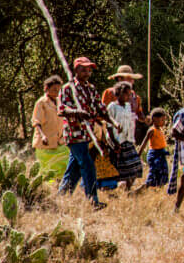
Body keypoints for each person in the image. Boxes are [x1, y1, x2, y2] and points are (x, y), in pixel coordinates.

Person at [57, 58, 109, 209]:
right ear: (76, 70)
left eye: (89, 70)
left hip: (87, 134)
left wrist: (112, 122)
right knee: (87, 164)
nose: (87, 73)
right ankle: (93, 200)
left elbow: (101, 109)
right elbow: (62, 109)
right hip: (74, 134)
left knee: (75, 168)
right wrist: (77, 112)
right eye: (84, 70)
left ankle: (61, 197)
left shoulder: (91, 89)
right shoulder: (68, 88)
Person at [105, 82, 143, 191]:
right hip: (117, 141)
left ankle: (127, 189)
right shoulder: (112, 106)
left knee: (136, 166)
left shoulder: (127, 106)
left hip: (128, 139)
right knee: (119, 168)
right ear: (119, 93)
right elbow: (109, 125)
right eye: (126, 94)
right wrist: (114, 142)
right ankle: (113, 190)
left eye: (129, 94)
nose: (128, 96)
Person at [31, 75, 68, 180]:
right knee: (47, 169)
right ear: (46, 88)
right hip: (45, 143)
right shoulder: (41, 102)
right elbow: (36, 121)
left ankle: (60, 188)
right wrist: (43, 136)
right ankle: (49, 189)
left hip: (59, 141)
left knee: (64, 165)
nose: (57, 92)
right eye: (54, 89)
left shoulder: (60, 102)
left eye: (59, 90)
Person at [136, 108, 170, 190]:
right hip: (154, 155)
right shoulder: (152, 130)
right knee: (154, 174)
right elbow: (144, 143)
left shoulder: (160, 130)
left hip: (161, 154)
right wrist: (138, 156)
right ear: (155, 119)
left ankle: (158, 191)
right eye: (162, 120)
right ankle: (140, 190)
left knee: (162, 174)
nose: (164, 122)